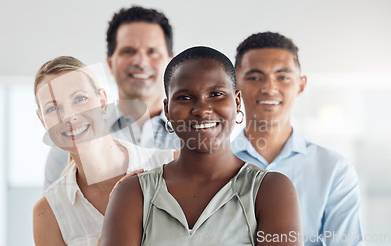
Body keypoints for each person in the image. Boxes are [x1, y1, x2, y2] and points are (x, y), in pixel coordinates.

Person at [100, 46, 302, 245]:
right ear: (168, 110)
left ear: (237, 102)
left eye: (216, 94)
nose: (202, 109)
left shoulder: (270, 190)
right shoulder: (134, 193)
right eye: (185, 97)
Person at [232, 32, 362, 245]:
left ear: (301, 85)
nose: (269, 88)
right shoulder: (212, 166)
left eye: (282, 77)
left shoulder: (333, 170)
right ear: (235, 85)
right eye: (255, 77)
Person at [32, 56, 176, 246]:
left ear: (102, 101)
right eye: (53, 109)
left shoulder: (171, 166)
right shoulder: (48, 212)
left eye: (80, 99)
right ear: (43, 121)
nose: (68, 116)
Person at [43, 6, 179, 189]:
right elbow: (56, 212)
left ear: (171, 62)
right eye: (128, 51)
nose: (140, 61)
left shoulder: (199, 133)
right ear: (110, 63)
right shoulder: (73, 135)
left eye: (152, 51)